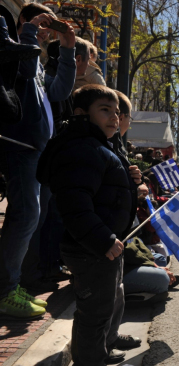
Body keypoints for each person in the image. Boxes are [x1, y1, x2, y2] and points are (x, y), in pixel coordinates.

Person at [36, 85, 140, 364]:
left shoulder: (101, 146)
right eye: (105, 110)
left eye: (117, 112)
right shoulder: (82, 148)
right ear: (81, 114)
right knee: (94, 312)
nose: (115, 117)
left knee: (109, 304)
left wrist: (132, 181)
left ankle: (99, 352)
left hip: (105, 246)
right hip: (92, 248)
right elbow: (75, 205)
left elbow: (108, 192)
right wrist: (103, 239)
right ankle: (89, 359)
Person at [0, 4, 76, 319]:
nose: (47, 31)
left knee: (33, 217)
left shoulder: (36, 55)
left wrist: (69, 49)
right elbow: (26, 71)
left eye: (49, 25)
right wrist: (30, 30)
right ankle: (6, 290)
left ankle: (14, 284)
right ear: (23, 21)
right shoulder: (16, 50)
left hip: (39, 149)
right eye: (43, 23)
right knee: (27, 214)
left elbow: (58, 91)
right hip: (21, 146)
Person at [21, 36, 90, 292]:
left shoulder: (52, 80)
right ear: (75, 59)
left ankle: (41, 269)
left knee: (45, 218)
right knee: (36, 219)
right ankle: (31, 274)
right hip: (44, 158)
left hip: (48, 159)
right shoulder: (50, 82)